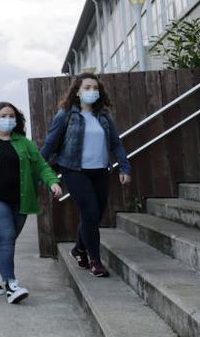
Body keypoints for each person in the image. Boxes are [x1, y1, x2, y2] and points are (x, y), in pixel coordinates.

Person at [0, 101, 64, 304]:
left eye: (11, 116)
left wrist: (53, 182)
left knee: (4, 240)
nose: (8, 119)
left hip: (19, 202)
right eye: (3, 116)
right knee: (6, 236)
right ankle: (11, 285)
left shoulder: (23, 143)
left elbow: (41, 166)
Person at [40, 72, 132, 278]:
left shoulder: (104, 116)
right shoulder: (66, 114)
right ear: (77, 92)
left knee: (95, 215)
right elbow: (50, 144)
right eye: (87, 88)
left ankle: (78, 249)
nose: (92, 91)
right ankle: (95, 261)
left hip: (100, 171)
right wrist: (36, 169)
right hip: (74, 171)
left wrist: (125, 168)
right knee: (89, 212)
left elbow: (116, 144)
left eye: (95, 88)